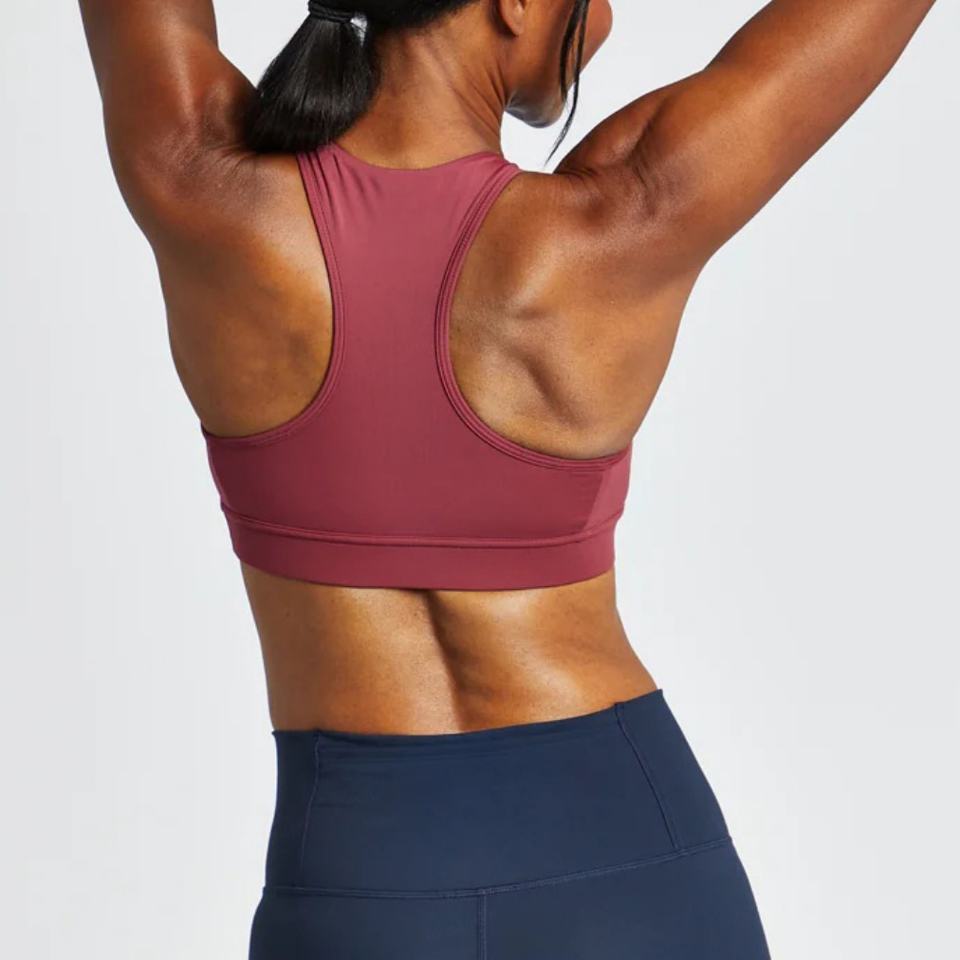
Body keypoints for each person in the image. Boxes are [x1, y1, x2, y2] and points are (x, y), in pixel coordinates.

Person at [79, 1, 937, 957]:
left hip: (359, 883)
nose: (602, 21)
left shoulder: (198, 183)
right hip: (629, 861)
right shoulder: (624, 218)